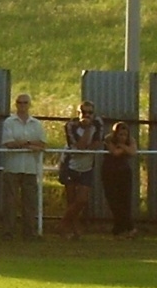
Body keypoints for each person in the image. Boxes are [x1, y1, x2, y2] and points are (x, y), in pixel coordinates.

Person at [0, 93, 46, 241]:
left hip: (30, 167)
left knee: (30, 202)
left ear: (29, 104)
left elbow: (43, 144)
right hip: (12, 167)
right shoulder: (9, 122)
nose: (22, 105)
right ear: (16, 104)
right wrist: (29, 144)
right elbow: (8, 143)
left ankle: (30, 232)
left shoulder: (36, 123)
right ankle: (8, 232)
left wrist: (22, 143)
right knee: (10, 202)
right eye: (20, 102)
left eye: (25, 102)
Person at [59, 101, 104, 240]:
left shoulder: (98, 123)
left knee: (82, 200)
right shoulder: (70, 126)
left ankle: (63, 224)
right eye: (84, 112)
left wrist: (90, 131)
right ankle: (72, 229)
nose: (87, 115)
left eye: (90, 112)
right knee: (71, 200)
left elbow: (97, 144)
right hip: (70, 164)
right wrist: (88, 131)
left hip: (87, 166)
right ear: (78, 113)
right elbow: (80, 146)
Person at [101, 121, 137, 239]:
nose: (122, 137)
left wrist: (122, 146)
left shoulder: (131, 140)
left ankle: (123, 229)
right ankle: (124, 228)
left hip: (124, 172)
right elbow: (114, 152)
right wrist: (124, 148)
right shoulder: (108, 139)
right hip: (109, 172)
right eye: (120, 134)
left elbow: (133, 152)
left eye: (124, 135)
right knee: (113, 200)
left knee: (125, 200)